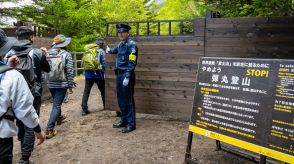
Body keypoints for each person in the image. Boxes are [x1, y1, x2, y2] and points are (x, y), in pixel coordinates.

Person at [4, 26, 50, 164]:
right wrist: (44, 55)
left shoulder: (8, 53)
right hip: (32, 92)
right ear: (31, 37)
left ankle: (22, 141)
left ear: (17, 37)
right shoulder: (36, 52)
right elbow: (47, 69)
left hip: (12, 92)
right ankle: (25, 158)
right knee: (31, 120)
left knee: (19, 119)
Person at [106, 23, 138, 133]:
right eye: (119, 32)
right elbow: (115, 50)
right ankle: (124, 120)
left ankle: (131, 124)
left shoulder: (132, 45)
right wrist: (109, 50)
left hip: (126, 75)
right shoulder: (121, 44)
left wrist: (128, 76)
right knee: (121, 99)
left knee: (128, 100)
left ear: (128, 33)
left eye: (122, 32)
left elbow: (132, 62)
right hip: (119, 75)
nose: (120, 34)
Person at [46, 34, 74, 138]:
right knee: (56, 105)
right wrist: (70, 85)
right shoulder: (66, 54)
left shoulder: (47, 53)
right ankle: (49, 129)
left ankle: (59, 118)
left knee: (56, 102)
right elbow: (69, 71)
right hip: (62, 84)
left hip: (50, 83)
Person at [81, 38, 106, 116]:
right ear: (101, 44)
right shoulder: (101, 51)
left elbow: (82, 62)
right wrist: (105, 71)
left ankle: (84, 109)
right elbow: (103, 63)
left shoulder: (87, 50)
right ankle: (106, 105)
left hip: (88, 75)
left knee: (86, 91)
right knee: (103, 91)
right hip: (98, 74)